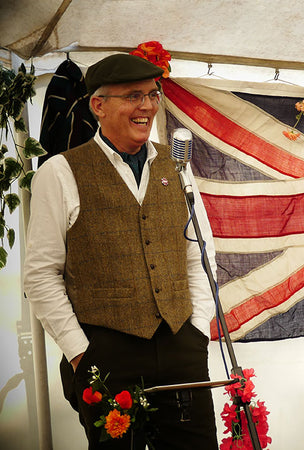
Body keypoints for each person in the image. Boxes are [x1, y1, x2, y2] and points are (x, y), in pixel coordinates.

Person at [23, 54, 219, 449]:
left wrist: (198, 329)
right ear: (99, 106)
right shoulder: (59, 172)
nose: (147, 106)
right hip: (107, 352)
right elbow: (40, 274)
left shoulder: (177, 167)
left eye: (152, 94)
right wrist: (80, 353)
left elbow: (199, 250)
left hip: (181, 342)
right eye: (133, 95)